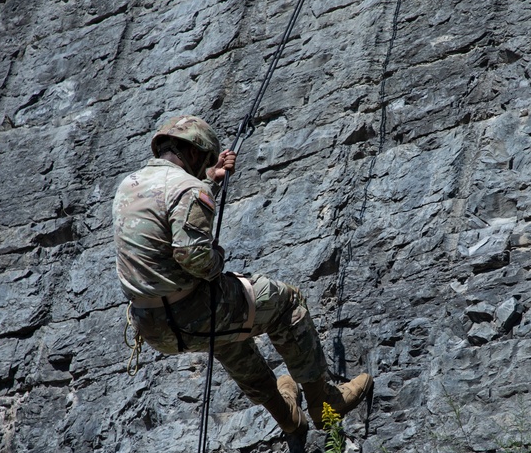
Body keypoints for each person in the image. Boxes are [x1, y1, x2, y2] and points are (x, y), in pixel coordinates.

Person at [112, 115, 372, 433]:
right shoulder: (189, 188)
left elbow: (171, 210)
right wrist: (217, 259)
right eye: (204, 160)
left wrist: (213, 179)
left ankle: (286, 415)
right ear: (193, 152)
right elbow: (194, 258)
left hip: (152, 327)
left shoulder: (129, 186)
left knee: (227, 336)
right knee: (286, 301)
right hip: (190, 315)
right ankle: (324, 402)